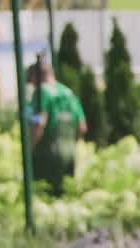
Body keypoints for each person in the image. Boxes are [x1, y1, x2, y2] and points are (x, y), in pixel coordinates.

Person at [26, 57, 86, 197]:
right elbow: (82, 127)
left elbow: (39, 123)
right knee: (66, 196)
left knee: (45, 197)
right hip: (69, 154)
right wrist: (71, 144)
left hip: (45, 156)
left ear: (35, 76)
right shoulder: (69, 93)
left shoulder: (42, 92)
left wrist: (29, 150)